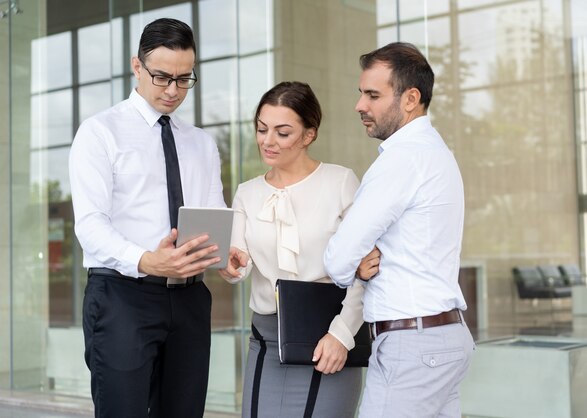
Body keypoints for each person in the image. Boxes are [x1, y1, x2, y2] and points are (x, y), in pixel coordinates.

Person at [69, 18, 225, 418]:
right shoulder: (100, 133)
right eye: (162, 77)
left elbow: (215, 216)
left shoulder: (202, 144)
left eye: (184, 79)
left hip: (190, 299)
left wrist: (230, 257)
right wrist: (145, 259)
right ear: (136, 66)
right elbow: (89, 225)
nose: (173, 90)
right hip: (123, 297)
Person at [324, 42, 475, 418]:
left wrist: (352, 267)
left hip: (414, 346)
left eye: (373, 95)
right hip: (441, 338)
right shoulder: (435, 151)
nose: (360, 105)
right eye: (361, 93)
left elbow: (339, 257)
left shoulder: (403, 159)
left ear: (410, 99)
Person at [218, 81, 366, 418]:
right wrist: (231, 266)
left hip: (329, 336)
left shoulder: (340, 182)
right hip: (266, 340)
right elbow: (238, 267)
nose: (267, 141)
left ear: (308, 135)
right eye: (261, 129)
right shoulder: (246, 192)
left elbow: (367, 269)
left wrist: (342, 334)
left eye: (282, 132)